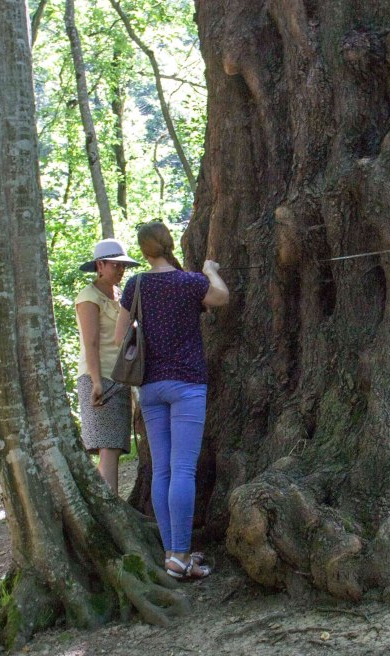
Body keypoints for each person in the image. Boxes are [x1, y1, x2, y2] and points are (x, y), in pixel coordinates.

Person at [115, 221, 229, 579]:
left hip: (150, 386)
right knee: (182, 470)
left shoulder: (135, 285)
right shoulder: (190, 282)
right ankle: (181, 555)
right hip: (188, 384)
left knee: (162, 470)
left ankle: (172, 554)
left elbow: (121, 336)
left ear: (143, 250)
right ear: (166, 245)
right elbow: (221, 297)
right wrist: (210, 271)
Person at [76, 238, 141, 493]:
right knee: (108, 448)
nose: (120, 270)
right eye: (115, 265)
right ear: (100, 265)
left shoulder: (119, 295)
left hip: (119, 377)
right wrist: (96, 382)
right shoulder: (88, 297)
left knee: (113, 445)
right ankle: (111, 505)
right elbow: (90, 342)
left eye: (123, 266)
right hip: (99, 377)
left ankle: (112, 504)